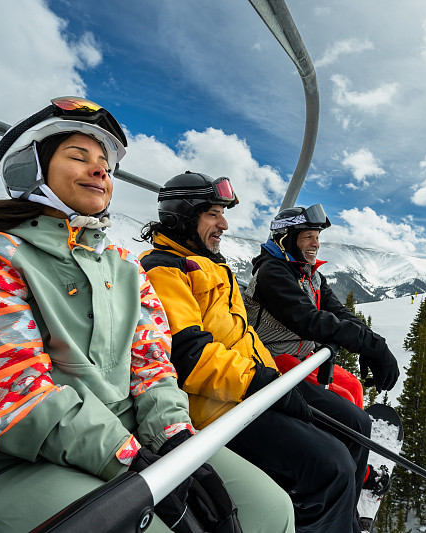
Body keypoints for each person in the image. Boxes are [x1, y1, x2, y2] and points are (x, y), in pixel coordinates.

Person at [0, 99, 293, 533]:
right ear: (30, 168)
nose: (100, 170)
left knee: (271, 510)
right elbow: (3, 393)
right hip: (5, 466)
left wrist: (172, 436)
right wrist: (128, 458)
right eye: (79, 157)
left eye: (106, 165)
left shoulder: (125, 267)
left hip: (132, 440)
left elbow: (152, 364)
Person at [139, 173, 369, 533]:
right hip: (219, 404)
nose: (224, 224)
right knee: (332, 466)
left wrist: (274, 378)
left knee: (355, 427)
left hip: (254, 383)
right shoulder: (165, 271)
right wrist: (260, 381)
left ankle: (344, 521)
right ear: (181, 216)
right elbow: (189, 357)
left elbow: (243, 335)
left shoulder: (211, 264)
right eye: (213, 214)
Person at [242, 205, 399, 497]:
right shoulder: (273, 272)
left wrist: (373, 343)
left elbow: (338, 311)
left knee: (353, 386)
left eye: (317, 237)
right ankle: (345, 476)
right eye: (308, 237)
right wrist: (368, 345)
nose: (315, 243)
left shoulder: (308, 273)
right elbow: (310, 320)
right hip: (273, 357)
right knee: (347, 408)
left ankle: (356, 466)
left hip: (303, 356)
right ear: (286, 240)